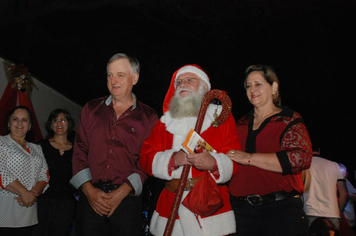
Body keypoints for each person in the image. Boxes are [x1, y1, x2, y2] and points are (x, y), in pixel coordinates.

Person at [140, 64, 241, 236]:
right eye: (178, 82)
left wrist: (214, 163)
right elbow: (145, 157)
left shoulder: (220, 117)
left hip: (208, 210)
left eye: (189, 80)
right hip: (171, 206)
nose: (182, 84)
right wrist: (172, 160)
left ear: (204, 87)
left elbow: (234, 157)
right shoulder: (165, 122)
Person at [69, 53, 158, 236]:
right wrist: (88, 190)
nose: (113, 80)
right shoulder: (91, 109)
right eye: (109, 75)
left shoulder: (149, 117)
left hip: (127, 201)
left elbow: (147, 159)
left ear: (135, 78)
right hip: (90, 198)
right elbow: (79, 151)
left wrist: (122, 191)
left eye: (120, 75)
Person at [227, 65, 312, 236]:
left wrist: (249, 158)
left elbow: (300, 158)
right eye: (248, 86)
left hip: (280, 212)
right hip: (240, 212)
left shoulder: (289, 119)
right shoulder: (240, 123)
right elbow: (227, 154)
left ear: (274, 87)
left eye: (258, 84)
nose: (252, 90)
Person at [0, 105, 49, 236]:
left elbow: (44, 175)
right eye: (15, 119)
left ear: (30, 125)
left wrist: (31, 194)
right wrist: (23, 192)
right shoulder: (1, 142)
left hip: (29, 209)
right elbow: (1, 172)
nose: (20, 123)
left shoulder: (36, 148)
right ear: (9, 123)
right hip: (5, 207)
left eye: (24, 119)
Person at [32, 108, 76, 236]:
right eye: (55, 120)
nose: (59, 123)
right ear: (51, 125)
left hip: (65, 203)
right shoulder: (40, 146)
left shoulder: (77, 150)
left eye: (63, 120)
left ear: (69, 123)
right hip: (41, 200)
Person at [303, 142, 349, 231]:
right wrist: (339, 211)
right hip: (332, 213)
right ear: (319, 150)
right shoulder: (334, 165)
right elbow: (344, 193)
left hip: (309, 211)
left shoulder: (304, 165)